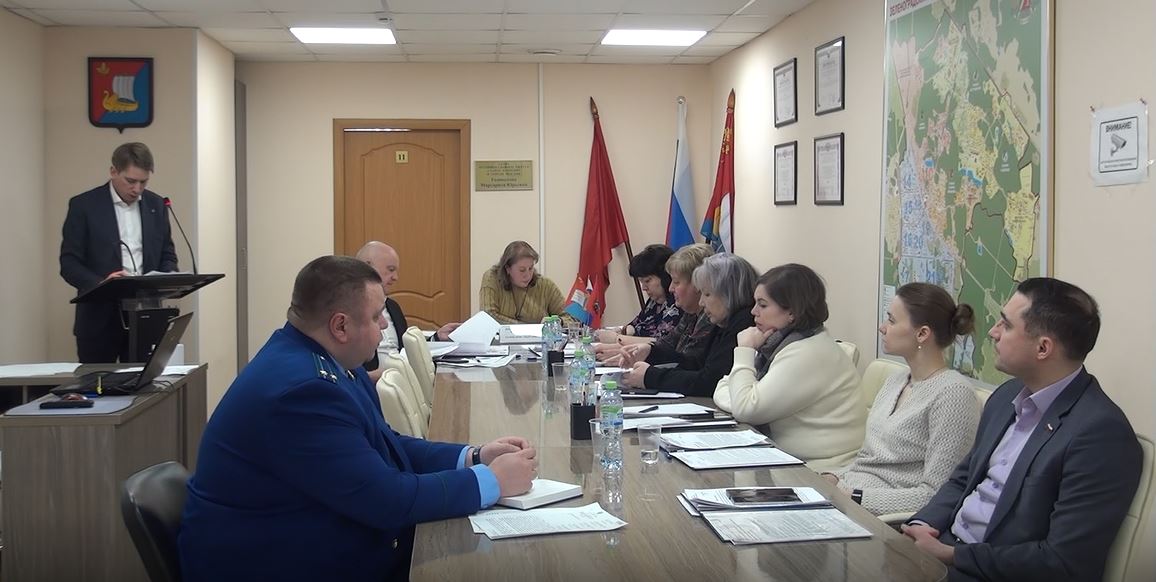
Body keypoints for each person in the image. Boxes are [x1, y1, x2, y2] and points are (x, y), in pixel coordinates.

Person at [179, 256, 538, 581]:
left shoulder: (327, 361)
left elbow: (387, 444)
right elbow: (386, 500)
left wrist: (474, 456)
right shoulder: (302, 393)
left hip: (316, 537)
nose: (384, 325)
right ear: (340, 326)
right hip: (277, 563)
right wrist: (490, 481)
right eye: (377, 315)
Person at [902, 278, 1142, 582]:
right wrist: (923, 524)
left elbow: (1063, 562)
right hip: (944, 550)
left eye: (1006, 325)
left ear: (1043, 348)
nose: (993, 332)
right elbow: (964, 478)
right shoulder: (1006, 397)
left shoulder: (1101, 435)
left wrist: (951, 555)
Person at [822, 282, 981, 515]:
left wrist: (855, 497)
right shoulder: (896, 380)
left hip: (878, 516)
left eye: (892, 320)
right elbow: (868, 459)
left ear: (922, 333)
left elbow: (936, 494)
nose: (882, 327)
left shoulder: (954, 394)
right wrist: (834, 477)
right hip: (847, 498)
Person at [712, 263, 864, 471]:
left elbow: (745, 408)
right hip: (786, 459)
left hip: (821, 469)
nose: (753, 312)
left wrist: (745, 350)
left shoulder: (807, 352)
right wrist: (741, 399)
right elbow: (726, 391)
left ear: (792, 311)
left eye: (762, 305)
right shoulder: (783, 345)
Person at [59, 142, 178, 362]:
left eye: (143, 182)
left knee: (146, 382)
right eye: (130, 181)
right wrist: (101, 283)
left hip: (146, 315)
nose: (137, 189)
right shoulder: (84, 205)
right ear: (113, 171)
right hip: (99, 318)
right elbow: (69, 263)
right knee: (99, 381)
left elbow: (167, 254)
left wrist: (167, 277)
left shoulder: (156, 205)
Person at [621, 252, 756, 397]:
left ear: (728, 292)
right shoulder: (725, 321)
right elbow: (696, 364)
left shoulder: (744, 324)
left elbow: (709, 381)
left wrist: (650, 377)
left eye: (707, 294)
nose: (701, 302)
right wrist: (651, 353)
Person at [355, 242, 461, 377]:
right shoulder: (351, 308)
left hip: (402, 379)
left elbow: (406, 350)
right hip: (375, 384)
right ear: (367, 267)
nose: (395, 277)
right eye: (390, 269)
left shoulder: (393, 307)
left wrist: (436, 338)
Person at [595, 244, 681, 345]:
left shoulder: (678, 303)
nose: (644, 288)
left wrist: (617, 338)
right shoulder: (654, 302)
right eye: (641, 282)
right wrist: (623, 331)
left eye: (647, 281)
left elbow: (662, 342)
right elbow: (635, 324)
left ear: (665, 276)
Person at [479, 240, 569, 324]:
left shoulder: (545, 285)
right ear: (507, 268)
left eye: (531, 268)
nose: (528, 275)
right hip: (500, 336)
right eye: (522, 270)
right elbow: (488, 316)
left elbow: (570, 318)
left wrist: (558, 321)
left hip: (538, 336)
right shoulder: (492, 278)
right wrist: (525, 328)